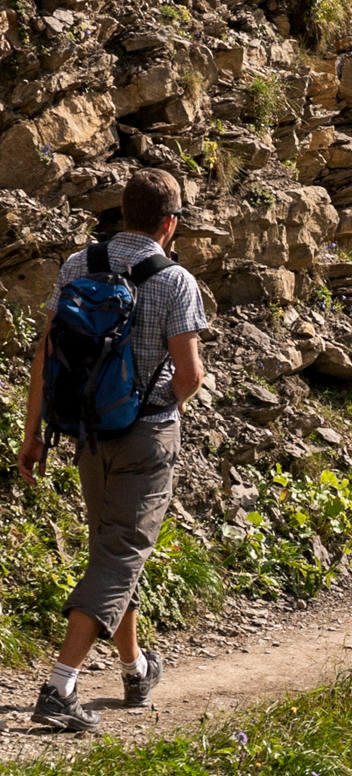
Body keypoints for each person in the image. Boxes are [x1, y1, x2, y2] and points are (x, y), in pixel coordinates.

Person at [17, 168, 208, 731]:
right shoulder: (175, 283)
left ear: (122, 214)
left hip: (86, 432)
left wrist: (34, 435)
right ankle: (59, 686)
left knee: (112, 551)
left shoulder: (80, 266)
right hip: (145, 437)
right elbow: (191, 374)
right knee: (122, 553)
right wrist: (157, 407)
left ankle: (134, 668)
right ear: (169, 223)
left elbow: (46, 354)